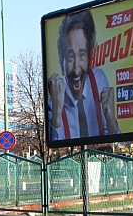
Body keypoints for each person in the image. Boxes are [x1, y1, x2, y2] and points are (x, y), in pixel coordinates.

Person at [48, 10, 119, 142]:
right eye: (70, 57)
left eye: (82, 55)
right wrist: (57, 113)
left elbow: (114, 141)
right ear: (61, 59)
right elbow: (56, 148)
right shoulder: (54, 100)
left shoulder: (98, 79)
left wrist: (111, 120)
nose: (76, 69)